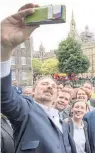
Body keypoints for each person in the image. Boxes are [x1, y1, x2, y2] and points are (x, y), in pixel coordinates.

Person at [1, 4, 76, 152]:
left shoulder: (64, 123)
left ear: (56, 96)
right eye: (44, 84)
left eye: (53, 86)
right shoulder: (26, 110)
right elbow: (5, 97)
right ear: (33, 92)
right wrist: (5, 48)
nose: (50, 86)